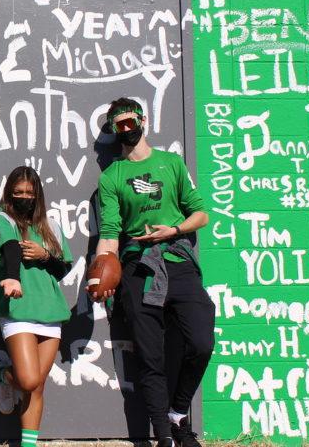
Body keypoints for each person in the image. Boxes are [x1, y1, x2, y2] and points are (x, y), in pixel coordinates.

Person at [89, 98, 213, 447]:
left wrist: (172, 231)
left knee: (201, 342)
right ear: (114, 130)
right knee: (150, 353)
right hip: (137, 268)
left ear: (143, 121)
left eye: (130, 121)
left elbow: (201, 214)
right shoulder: (111, 176)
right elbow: (110, 233)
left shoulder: (171, 163)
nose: (126, 129)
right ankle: (164, 434)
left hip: (177, 260)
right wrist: (99, 271)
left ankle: (178, 412)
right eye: (119, 125)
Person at [0, 166, 73, 447]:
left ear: (38, 195)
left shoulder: (50, 225)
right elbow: (10, 248)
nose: (24, 197)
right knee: (28, 380)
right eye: (18, 192)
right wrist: (12, 276)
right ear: (9, 193)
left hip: (51, 310)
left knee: (38, 385)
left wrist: (45, 256)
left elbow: (62, 268)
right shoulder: (1, 219)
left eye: (29, 193)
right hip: (18, 309)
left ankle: (28, 444)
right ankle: (2, 375)